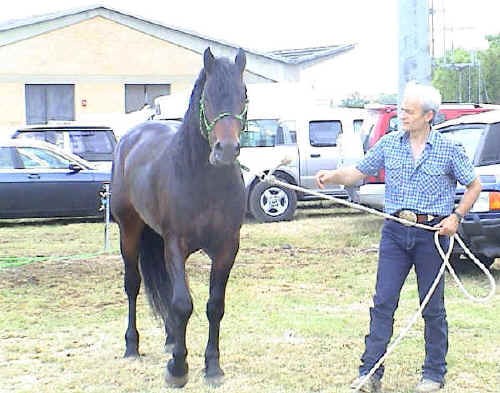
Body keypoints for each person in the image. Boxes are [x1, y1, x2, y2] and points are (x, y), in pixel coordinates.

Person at [315, 82, 482, 393]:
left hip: (430, 236)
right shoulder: (390, 144)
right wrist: (333, 176)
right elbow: (359, 172)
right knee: (383, 303)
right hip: (394, 233)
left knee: (432, 307)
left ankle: (433, 374)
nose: (401, 115)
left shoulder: (449, 150)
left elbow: (474, 185)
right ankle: (370, 374)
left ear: (429, 116)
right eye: (401, 109)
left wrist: (456, 217)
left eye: (408, 111)